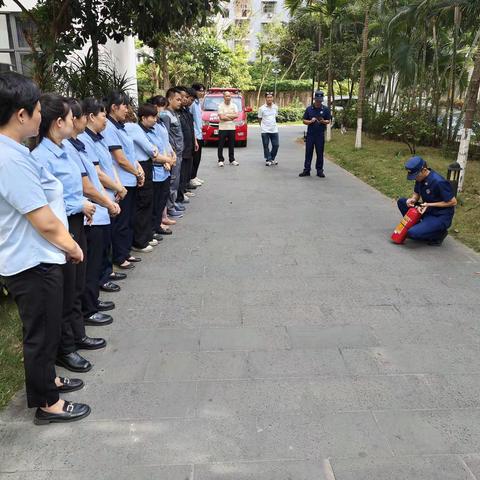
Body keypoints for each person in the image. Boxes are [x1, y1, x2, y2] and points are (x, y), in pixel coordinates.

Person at [0, 72, 90, 425]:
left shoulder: (14, 152)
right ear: (21, 114)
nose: (42, 115)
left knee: (46, 328)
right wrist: (72, 247)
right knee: (40, 334)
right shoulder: (9, 159)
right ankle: (47, 403)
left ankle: (48, 381)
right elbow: (43, 219)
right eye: (38, 109)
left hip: (36, 257)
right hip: (32, 262)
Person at [32, 93, 95, 374]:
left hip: (77, 220)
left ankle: (77, 334)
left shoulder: (65, 147)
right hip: (62, 224)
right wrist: (79, 204)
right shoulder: (40, 157)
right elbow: (46, 201)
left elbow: (72, 186)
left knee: (76, 285)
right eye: (71, 118)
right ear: (58, 122)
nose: (75, 123)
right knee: (67, 290)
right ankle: (66, 348)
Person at [63, 98, 119, 332]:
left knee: (93, 264)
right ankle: (88, 309)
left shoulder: (77, 144)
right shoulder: (67, 147)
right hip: (87, 212)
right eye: (81, 117)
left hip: (94, 210)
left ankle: (91, 303)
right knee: (86, 268)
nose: (86, 120)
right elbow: (86, 185)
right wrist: (108, 201)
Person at [79, 98, 128, 290]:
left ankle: (106, 273)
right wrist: (115, 189)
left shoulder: (99, 137)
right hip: (100, 198)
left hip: (109, 193)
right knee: (98, 244)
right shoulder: (84, 140)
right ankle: (100, 280)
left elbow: (109, 164)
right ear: (90, 117)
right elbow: (97, 173)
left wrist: (117, 186)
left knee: (106, 240)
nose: (105, 119)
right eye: (102, 116)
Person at [103, 91, 144, 269]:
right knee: (121, 222)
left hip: (131, 177)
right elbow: (119, 158)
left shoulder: (120, 126)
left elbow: (130, 153)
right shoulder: (109, 129)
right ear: (114, 107)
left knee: (127, 219)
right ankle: (119, 256)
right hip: (122, 181)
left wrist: (138, 170)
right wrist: (136, 173)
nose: (127, 109)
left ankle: (125, 251)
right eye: (124, 106)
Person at [397, 156, 457, 246]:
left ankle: (438, 234)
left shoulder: (438, 181)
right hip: (426, 208)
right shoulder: (420, 177)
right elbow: (416, 193)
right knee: (402, 202)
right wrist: (413, 199)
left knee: (412, 233)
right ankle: (421, 228)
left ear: (424, 170)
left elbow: (453, 202)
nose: (414, 178)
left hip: (439, 216)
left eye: (416, 176)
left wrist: (429, 204)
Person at [124, 106, 159, 253]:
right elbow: (149, 148)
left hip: (139, 164)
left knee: (143, 203)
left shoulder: (123, 127)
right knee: (144, 203)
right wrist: (154, 150)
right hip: (141, 164)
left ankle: (145, 236)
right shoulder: (131, 127)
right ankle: (140, 240)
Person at [161, 87, 185, 218]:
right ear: (169, 99)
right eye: (178, 99)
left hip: (179, 153)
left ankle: (173, 203)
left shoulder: (174, 113)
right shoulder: (165, 115)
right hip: (173, 154)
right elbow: (166, 137)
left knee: (175, 181)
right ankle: (169, 207)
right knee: (172, 181)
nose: (180, 102)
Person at [299, 90, 331, 178]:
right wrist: (310, 121)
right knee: (308, 152)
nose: (318, 102)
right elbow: (304, 120)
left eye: (320, 100)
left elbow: (328, 120)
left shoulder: (325, 109)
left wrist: (323, 121)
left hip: (320, 134)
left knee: (320, 152)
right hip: (310, 134)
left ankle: (319, 170)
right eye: (317, 100)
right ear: (314, 99)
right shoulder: (309, 109)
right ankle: (307, 170)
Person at [177, 87, 198, 204]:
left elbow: (191, 128)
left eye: (185, 98)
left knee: (186, 169)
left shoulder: (186, 111)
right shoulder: (176, 113)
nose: (185, 100)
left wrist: (194, 141)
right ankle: (180, 195)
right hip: (182, 147)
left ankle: (183, 190)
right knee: (181, 171)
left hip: (189, 145)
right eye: (182, 98)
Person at [217, 90, 239, 167]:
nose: (228, 97)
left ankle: (232, 159)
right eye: (226, 96)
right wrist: (231, 117)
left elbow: (236, 115)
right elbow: (221, 117)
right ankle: (220, 160)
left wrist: (226, 115)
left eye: (229, 96)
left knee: (231, 145)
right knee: (221, 145)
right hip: (222, 128)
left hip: (232, 128)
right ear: (224, 97)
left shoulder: (234, 105)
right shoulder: (220, 106)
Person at [189, 83, 206, 186]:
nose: (202, 92)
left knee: (198, 157)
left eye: (203, 90)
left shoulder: (198, 103)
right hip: (195, 134)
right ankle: (191, 178)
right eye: (200, 90)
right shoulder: (192, 104)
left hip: (200, 133)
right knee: (194, 158)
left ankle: (194, 176)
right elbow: (191, 120)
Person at [258, 92, 279, 166]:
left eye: (271, 97)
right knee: (266, 145)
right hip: (265, 130)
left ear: (273, 98)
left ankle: (272, 158)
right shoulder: (261, 108)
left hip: (274, 130)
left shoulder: (276, 107)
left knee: (276, 145)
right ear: (265, 98)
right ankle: (268, 159)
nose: (269, 99)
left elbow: (275, 117)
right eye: (268, 97)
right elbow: (259, 119)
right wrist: (263, 127)